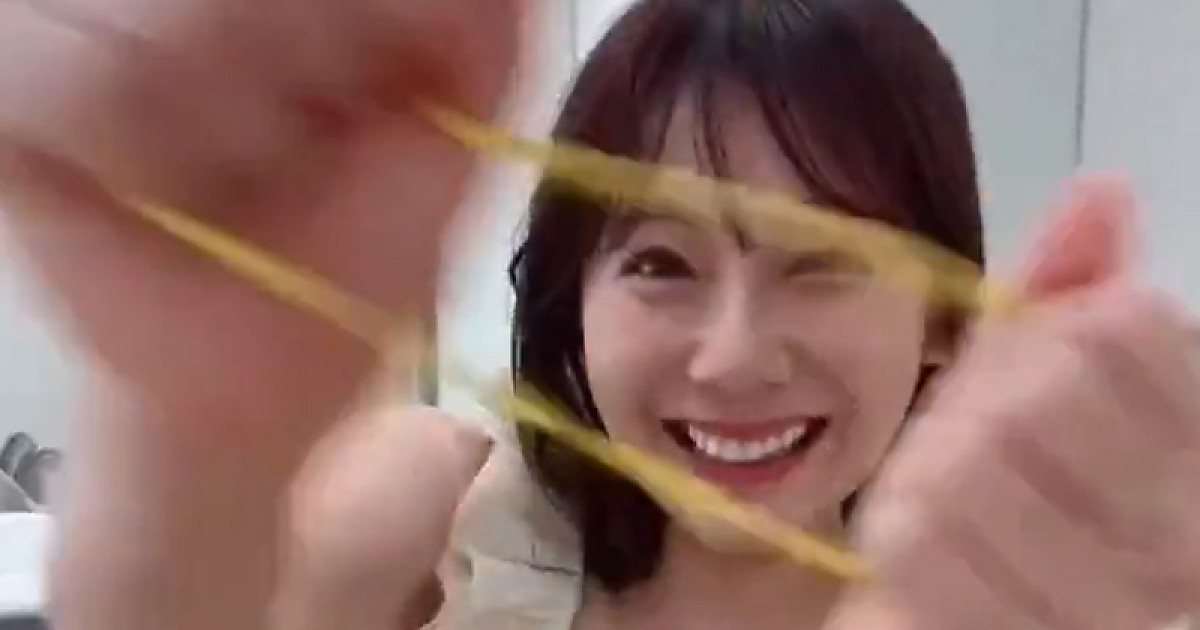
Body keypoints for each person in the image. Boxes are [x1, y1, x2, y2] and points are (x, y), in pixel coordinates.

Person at [0, 0, 1197, 629]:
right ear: (574, 300)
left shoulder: (1036, 596)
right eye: (662, 265)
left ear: (942, 316)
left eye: (822, 265)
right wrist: (186, 452)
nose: (732, 357)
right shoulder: (428, 516)